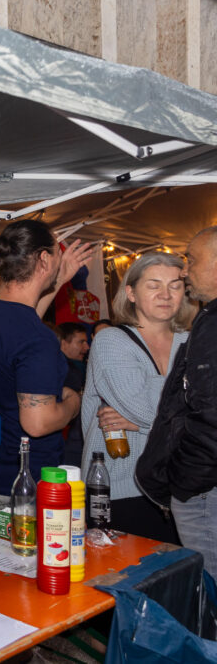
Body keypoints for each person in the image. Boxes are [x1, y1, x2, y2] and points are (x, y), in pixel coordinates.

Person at [0, 221, 91, 519]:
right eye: (57, 250)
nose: (61, 257)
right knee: (33, 563)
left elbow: (23, 324)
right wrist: (74, 402)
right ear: (44, 259)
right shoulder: (36, 338)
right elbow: (37, 422)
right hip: (22, 483)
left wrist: (58, 280)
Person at [81, 252, 191, 543]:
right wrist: (185, 388)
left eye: (175, 285)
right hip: (121, 486)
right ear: (130, 292)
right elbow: (142, 407)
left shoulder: (192, 341)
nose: (166, 294)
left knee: (179, 579)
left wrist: (143, 416)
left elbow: (210, 409)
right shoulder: (111, 340)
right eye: (153, 285)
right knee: (123, 581)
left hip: (182, 486)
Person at [139, 227, 217, 575]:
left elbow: (210, 416)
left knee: (211, 590)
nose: (185, 271)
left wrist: (183, 480)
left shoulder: (213, 323)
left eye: (192, 259)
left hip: (204, 487)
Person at [54, 321, 89, 465]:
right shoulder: (67, 371)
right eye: (81, 342)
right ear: (63, 344)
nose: (87, 347)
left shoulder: (80, 367)